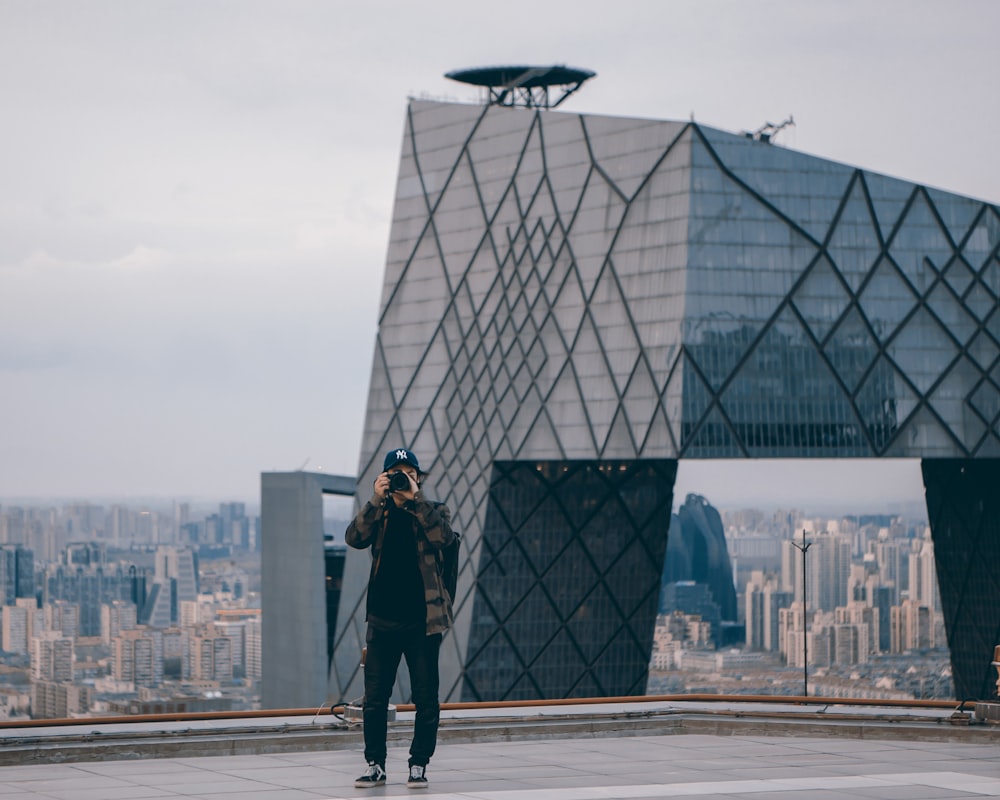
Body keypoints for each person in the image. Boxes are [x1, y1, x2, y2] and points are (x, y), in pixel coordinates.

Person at [346, 447, 455, 789]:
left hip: (423, 621)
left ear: (418, 478)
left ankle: (418, 764)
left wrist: (415, 499)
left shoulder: (433, 511)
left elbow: (444, 540)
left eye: (409, 473)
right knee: (375, 699)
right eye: (396, 473)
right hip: (382, 620)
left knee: (426, 697)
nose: (401, 479)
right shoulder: (379, 515)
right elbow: (354, 538)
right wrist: (376, 500)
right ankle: (375, 763)